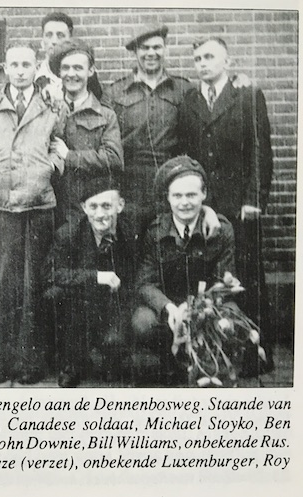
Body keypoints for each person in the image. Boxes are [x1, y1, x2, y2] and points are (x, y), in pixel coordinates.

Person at [0, 41, 68, 385]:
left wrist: (50, 166)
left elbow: (60, 142)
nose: (21, 70)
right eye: (14, 65)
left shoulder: (52, 105)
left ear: (36, 67)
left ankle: (28, 361)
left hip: (39, 203)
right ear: (5, 69)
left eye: (27, 64)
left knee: (32, 285)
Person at [177, 37, 274, 372]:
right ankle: (213, 354)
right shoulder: (190, 99)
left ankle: (256, 355)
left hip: (238, 206)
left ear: (227, 61)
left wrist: (254, 200)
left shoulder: (247, 95)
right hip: (203, 206)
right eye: (197, 58)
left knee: (246, 277)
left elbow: (261, 151)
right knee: (209, 277)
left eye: (209, 57)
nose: (202, 63)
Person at [108, 25, 243, 234]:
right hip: (130, 188)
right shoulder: (115, 92)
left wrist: (237, 80)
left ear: (165, 49)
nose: (151, 53)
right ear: (135, 52)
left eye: (157, 47)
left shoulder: (184, 89)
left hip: (173, 187)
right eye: (144, 48)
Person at [132, 156, 235, 385]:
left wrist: (199, 311)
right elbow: (144, 283)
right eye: (177, 196)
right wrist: (169, 308)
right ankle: (170, 362)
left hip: (206, 306)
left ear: (204, 194)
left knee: (230, 319)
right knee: (142, 321)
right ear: (168, 198)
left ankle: (209, 363)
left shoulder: (221, 230)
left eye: (191, 195)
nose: (184, 202)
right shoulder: (156, 231)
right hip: (170, 305)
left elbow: (225, 282)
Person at [44, 177, 136, 387]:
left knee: (115, 344)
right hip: (81, 304)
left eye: (107, 206)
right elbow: (49, 273)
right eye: (93, 207)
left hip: (117, 304)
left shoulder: (131, 231)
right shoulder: (69, 234)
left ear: (120, 206)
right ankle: (72, 362)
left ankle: (113, 357)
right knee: (55, 296)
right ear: (84, 208)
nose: (100, 214)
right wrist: (96, 277)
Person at [48, 39, 123, 226]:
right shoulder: (46, 109)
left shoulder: (105, 114)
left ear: (90, 71)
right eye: (65, 68)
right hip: (51, 209)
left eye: (78, 68)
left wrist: (70, 156)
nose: (71, 74)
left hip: (88, 211)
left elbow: (114, 159)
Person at [35, 11, 103, 100]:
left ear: (70, 40)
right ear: (42, 41)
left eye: (60, 35)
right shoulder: (33, 73)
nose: (54, 41)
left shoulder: (85, 75)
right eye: (49, 35)